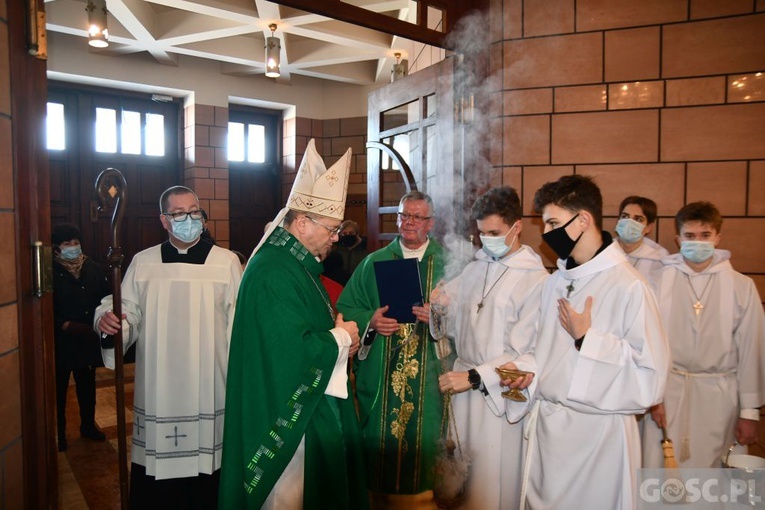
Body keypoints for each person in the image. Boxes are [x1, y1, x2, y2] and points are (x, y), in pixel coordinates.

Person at [500, 175, 669, 509]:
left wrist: (588, 339)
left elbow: (651, 379)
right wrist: (526, 371)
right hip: (549, 432)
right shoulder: (555, 282)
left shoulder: (630, 286)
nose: (547, 233)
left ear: (584, 220)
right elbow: (542, 351)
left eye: (553, 222)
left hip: (597, 439)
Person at [218, 139, 367, 509]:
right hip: (284, 410)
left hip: (308, 400)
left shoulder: (296, 261)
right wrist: (339, 337)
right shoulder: (274, 269)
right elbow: (287, 350)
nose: (336, 238)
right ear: (302, 222)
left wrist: (336, 335)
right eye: (331, 230)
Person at [95, 185, 242, 508]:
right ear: (164, 220)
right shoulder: (143, 263)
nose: (188, 219)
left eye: (194, 212)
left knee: (209, 476)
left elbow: (239, 324)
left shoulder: (228, 263)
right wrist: (111, 322)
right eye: (178, 213)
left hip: (210, 383)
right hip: (159, 389)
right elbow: (126, 309)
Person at [434, 187, 548, 509]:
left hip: (497, 392)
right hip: (462, 389)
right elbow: (453, 326)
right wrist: (439, 307)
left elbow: (526, 352)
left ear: (517, 226)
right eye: (482, 233)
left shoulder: (536, 280)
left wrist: (474, 376)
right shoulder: (474, 269)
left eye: (495, 233)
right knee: (461, 483)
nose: (487, 241)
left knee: (492, 480)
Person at [336, 190, 445, 508]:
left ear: (431, 223)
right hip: (383, 372)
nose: (409, 223)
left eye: (417, 217)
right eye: (403, 215)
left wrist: (439, 317)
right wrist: (371, 321)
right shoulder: (374, 261)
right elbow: (347, 308)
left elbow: (474, 317)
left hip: (430, 375)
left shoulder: (449, 264)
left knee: (426, 438)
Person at [643, 201, 764, 468]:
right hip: (667, 393)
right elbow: (646, 342)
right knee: (659, 472)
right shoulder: (657, 281)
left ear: (718, 237)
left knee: (713, 477)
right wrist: (653, 398)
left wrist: (749, 412)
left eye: (705, 235)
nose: (697, 242)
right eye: (690, 236)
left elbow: (752, 351)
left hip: (719, 397)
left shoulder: (741, 286)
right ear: (678, 239)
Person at [52, 224, 111, 452]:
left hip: (87, 336)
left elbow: (106, 298)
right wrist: (63, 324)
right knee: (59, 387)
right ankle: (59, 432)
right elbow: (44, 307)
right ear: (57, 248)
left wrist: (101, 321)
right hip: (63, 339)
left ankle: (88, 425)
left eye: (76, 243)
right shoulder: (50, 271)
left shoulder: (92, 267)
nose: (73, 248)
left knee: (87, 385)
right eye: (68, 244)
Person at [614, 196, 669, 292]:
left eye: (638, 219)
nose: (629, 222)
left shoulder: (659, 258)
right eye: (625, 217)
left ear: (648, 227)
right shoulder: (604, 250)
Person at [324, 219, 368, 285]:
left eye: (351, 233)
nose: (347, 235)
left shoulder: (364, 251)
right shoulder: (335, 252)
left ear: (357, 234)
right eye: (344, 233)